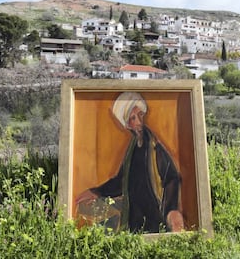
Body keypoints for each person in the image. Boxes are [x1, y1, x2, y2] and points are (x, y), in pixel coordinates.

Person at [75, 92, 184, 233]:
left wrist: (171, 210)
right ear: (127, 124)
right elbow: (122, 180)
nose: (139, 122)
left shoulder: (153, 146)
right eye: (133, 118)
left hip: (153, 215)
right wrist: (97, 192)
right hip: (134, 214)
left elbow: (172, 177)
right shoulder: (132, 148)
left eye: (140, 115)